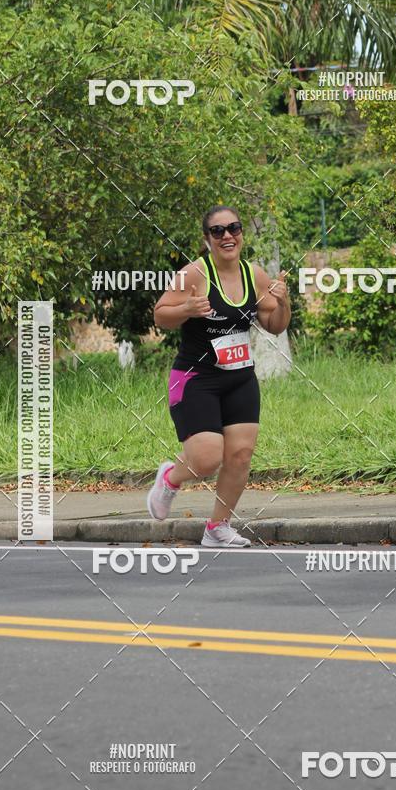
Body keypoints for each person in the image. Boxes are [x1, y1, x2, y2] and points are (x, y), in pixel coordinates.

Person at [147, 205, 291, 547]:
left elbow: (274, 325)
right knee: (207, 458)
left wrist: (284, 303)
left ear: (242, 233)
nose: (227, 236)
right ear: (207, 239)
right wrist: (186, 309)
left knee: (240, 455)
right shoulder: (194, 274)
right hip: (197, 377)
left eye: (234, 228)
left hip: (240, 377)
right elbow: (160, 315)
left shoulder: (254, 275)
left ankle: (217, 527)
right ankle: (170, 478)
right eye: (218, 231)